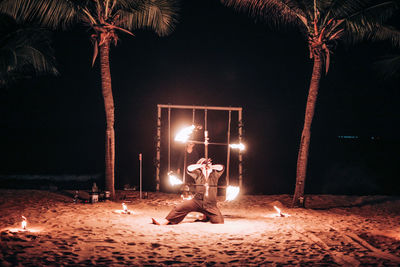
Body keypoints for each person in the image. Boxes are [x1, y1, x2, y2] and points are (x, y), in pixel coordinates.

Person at [152, 158, 225, 225]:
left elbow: (221, 167)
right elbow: (189, 168)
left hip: (210, 204)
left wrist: (211, 167)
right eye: (202, 167)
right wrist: (200, 165)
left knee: (219, 221)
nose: (205, 167)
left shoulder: (215, 174)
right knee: (180, 207)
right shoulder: (198, 174)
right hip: (197, 201)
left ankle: (205, 218)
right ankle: (165, 222)